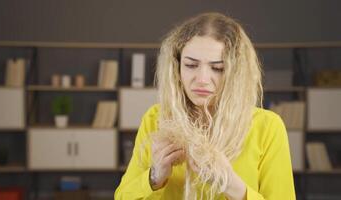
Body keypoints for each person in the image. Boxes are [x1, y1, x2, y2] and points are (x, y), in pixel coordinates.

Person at [115, 12, 295, 200]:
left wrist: (232, 185)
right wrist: (154, 177)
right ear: (176, 67)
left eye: (218, 68)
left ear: (236, 73)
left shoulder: (267, 127)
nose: (201, 80)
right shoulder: (156, 119)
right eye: (191, 65)